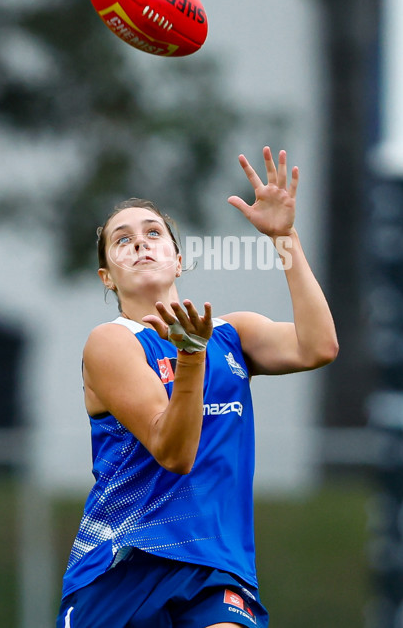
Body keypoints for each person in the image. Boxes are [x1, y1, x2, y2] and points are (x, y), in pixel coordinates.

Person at [57, 146, 338, 628]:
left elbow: (318, 346)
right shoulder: (112, 343)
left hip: (216, 570)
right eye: (122, 240)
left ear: (179, 260)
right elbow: (174, 452)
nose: (140, 243)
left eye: (153, 233)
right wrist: (190, 356)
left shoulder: (233, 334)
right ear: (107, 276)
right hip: (123, 567)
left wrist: (285, 238)